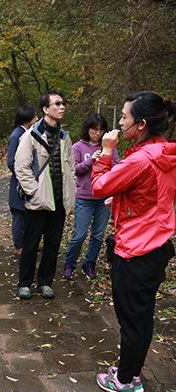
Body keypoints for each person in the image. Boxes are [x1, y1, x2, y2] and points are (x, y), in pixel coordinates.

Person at [92, 92, 176, 392]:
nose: (119, 124)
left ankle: (125, 381)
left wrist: (105, 152)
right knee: (142, 316)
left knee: (131, 321)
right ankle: (132, 373)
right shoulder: (165, 151)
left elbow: (99, 187)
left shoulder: (140, 159)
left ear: (140, 124)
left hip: (135, 250)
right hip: (158, 244)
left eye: (124, 118)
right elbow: (148, 193)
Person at [14, 90, 76, 300]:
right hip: (39, 201)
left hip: (59, 201)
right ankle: (24, 283)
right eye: (57, 103)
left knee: (53, 244)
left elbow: (71, 167)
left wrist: (71, 191)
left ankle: (45, 282)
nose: (62, 107)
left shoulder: (64, 136)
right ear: (45, 109)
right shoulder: (30, 135)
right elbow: (20, 167)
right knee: (30, 245)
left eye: (63, 103)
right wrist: (34, 192)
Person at [63, 114, 119, 280]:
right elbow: (75, 170)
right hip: (84, 197)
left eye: (101, 130)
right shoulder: (78, 147)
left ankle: (90, 264)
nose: (98, 133)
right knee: (79, 234)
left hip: (103, 199)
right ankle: (69, 264)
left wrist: (105, 158)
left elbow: (116, 167)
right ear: (87, 129)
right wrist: (91, 161)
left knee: (97, 235)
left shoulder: (109, 147)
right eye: (94, 129)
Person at [7, 106, 39, 256]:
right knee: (19, 215)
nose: (37, 119)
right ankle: (19, 245)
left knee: (28, 214)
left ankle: (28, 242)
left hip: (29, 180)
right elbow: (11, 162)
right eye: (35, 116)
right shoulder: (17, 135)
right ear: (28, 118)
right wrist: (24, 175)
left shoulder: (29, 133)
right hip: (20, 182)